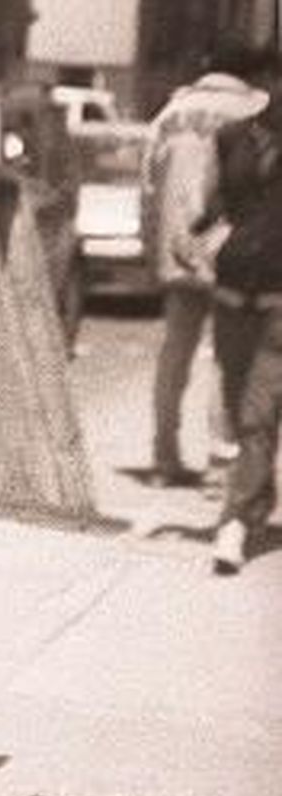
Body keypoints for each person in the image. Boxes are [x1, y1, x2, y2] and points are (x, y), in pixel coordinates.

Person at [140, 37, 270, 487]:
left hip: (177, 247)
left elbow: (149, 185)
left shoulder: (170, 113)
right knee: (229, 357)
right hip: (234, 250)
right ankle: (222, 462)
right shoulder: (254, 110)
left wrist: (153, 246)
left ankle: (163, 456)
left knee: (175, 351)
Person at [197, 54, 282, 575]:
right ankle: (256, 503)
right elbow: (211, 208)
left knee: (256, 413)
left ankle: (233, 524)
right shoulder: (231, 138)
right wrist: (200, 238)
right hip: (232, 296)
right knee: (241, 412)